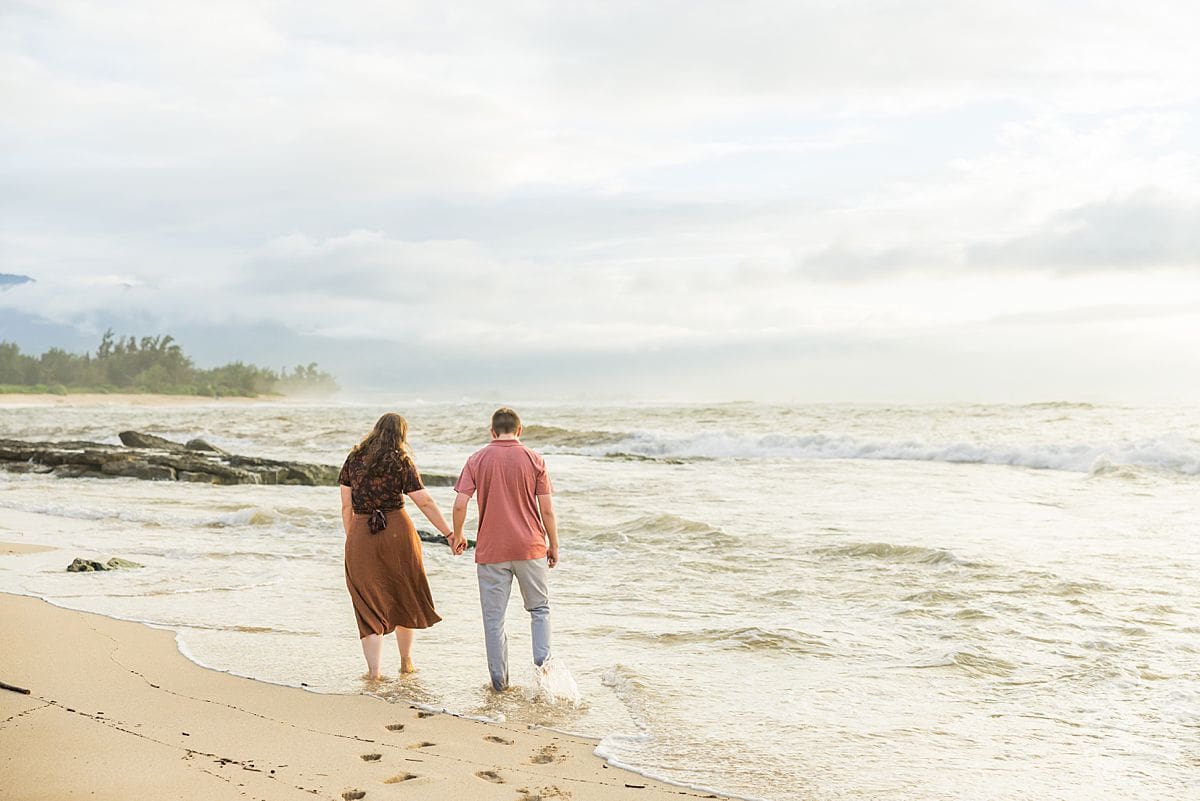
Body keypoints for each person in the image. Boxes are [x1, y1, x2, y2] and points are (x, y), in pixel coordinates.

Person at [339, 412, 464, 680]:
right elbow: (425, 502)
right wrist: (449, 534)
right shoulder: (401, 461)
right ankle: (406, 662)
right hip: (398, 532)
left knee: (367, 604)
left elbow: (346, 506)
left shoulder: (353, 460)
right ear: (401, 435)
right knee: (403, 594)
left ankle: (374, 673)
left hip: (361, 532)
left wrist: (354, 539)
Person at [452, 407, 558, 691]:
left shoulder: (476, 459)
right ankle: (543, 675)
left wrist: (458, 535)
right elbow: (546, 509)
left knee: (493, 620)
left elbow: (460, 503)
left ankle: (500, 684)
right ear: (519, 430)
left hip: (491, 550)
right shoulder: (534, 459)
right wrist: (553, 544)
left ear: (492, 431)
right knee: (539, 610)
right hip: (531, 547)